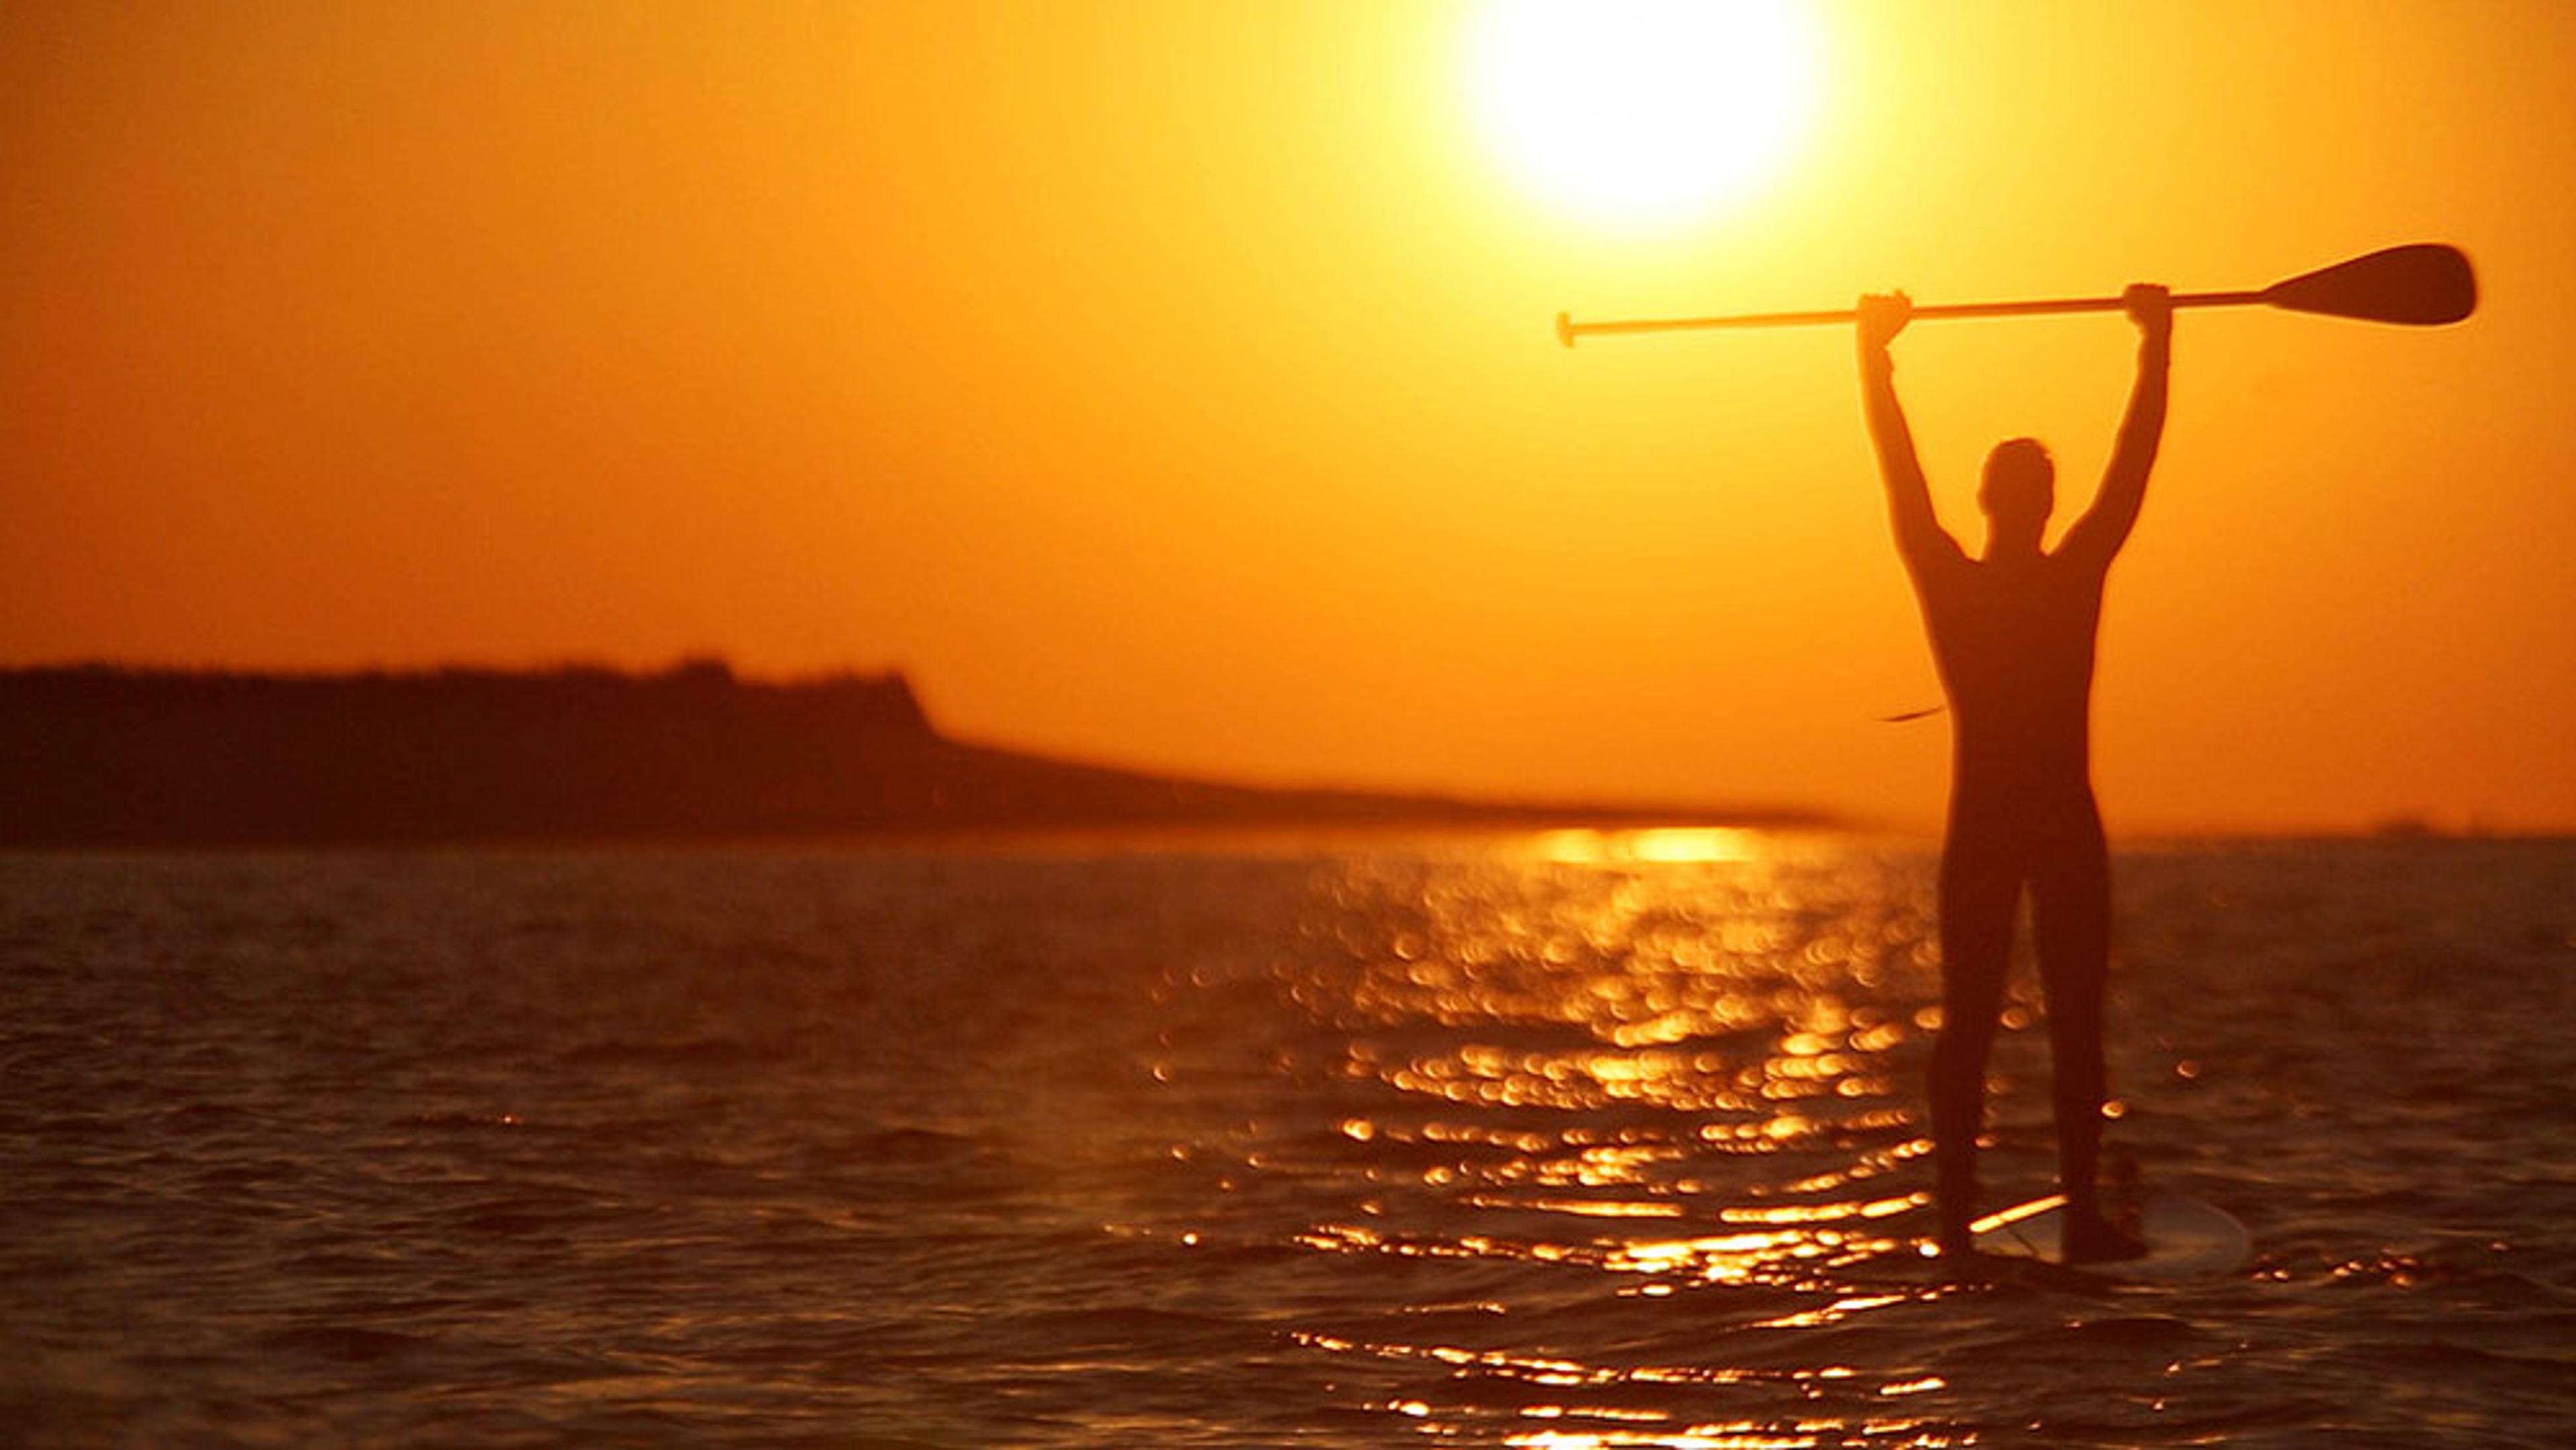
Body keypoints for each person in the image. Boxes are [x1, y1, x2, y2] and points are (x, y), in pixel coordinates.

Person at [1856, 281, 2171, 1264]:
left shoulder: (1956, 576)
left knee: (1981, 1026)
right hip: (2048, 824)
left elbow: (1900, 472)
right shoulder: (2067, 572)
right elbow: (2130, 469)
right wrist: (2155, 347)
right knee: (2051, 1025)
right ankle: (2059, 1216)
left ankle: (1966, 1223)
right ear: (2035, 503)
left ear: (1992, 501)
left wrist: (1875, 355)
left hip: (1997, 825)